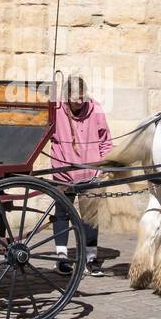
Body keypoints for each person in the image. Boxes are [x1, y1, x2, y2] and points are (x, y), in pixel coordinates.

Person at [50, 75, 112, 277]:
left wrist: (104, 164)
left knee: (90, 217)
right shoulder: (56, 109)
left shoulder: (96, 109)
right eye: (75, 97)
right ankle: (61, 258)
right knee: (61, 214)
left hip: (90, 172)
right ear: (66, 95)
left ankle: (91, 258)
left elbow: (105, 139)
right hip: (63, 171)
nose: (79, 101)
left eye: (82, 97)